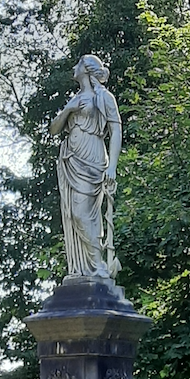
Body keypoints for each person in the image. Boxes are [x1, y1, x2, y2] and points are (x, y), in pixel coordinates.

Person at [50, 54, 122, 278]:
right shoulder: (75, 99)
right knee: (74, 214)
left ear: (87, 70)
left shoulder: (105, 97)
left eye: (78, 64)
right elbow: (54, 129)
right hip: (72, 159)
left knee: (83, 214)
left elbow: (116, 130)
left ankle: (98, 264)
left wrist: (112, 167)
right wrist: (68, 110)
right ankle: (82, 269)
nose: (73, 67)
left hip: (93, 159)